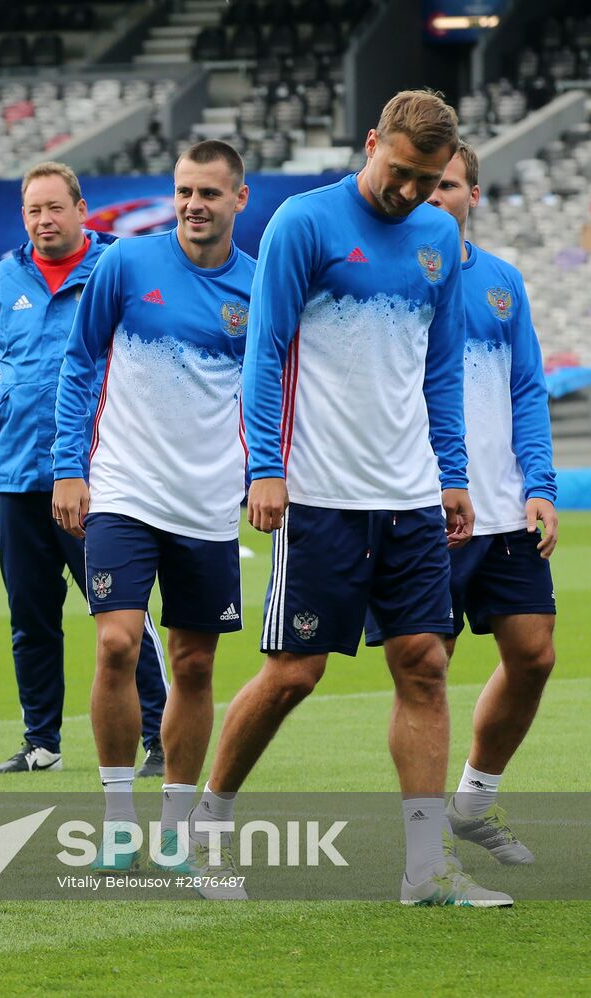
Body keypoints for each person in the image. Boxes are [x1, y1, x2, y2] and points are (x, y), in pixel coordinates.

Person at [196, 89, 511, 906]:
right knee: (295, 673)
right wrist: (265, 466)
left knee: (425, 666)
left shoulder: (439, 236)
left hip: (408, 493)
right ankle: (209, 823)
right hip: (319, 490)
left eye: (428, 179)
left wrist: (451, 474)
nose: (410, 192)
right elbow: (263, 352)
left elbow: (438, 366)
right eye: (400, 172)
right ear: (372, 142)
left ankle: (425, 869)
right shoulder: (304, 221)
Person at [53, 141, 253, 870]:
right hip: (123, 490)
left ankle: (172, 826)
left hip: (206, 503)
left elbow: (268, 397)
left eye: (208, 192)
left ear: (239, 199)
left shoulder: (258, 289)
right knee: (116, 642)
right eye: (184, 191)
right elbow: (80, 365)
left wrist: (266, 475)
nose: (194, 204)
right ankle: (114, 818)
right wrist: (67, 469)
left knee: (194, 666)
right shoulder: (126, 265)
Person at [379, 142, 556, 864]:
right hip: (423, 508)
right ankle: (424, 849)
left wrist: (540, 485)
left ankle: (472, 806)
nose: (432, 196)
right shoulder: (393, 277)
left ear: (472, 195)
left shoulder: (502, 284)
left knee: (535, 655)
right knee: (428, 667)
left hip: (505, 507)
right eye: (423, 184)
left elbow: (526, 391)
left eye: (447, 185)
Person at [0, 161, 169, 777]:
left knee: (121, 616)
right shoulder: (2, 279)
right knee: (30, 616)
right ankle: (42, 743)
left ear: (82, 210)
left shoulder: (116, 269)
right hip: (16, 477)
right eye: (33, 210)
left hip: (98, 477)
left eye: (55, 208)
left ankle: (160, 736)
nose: (44, 220)